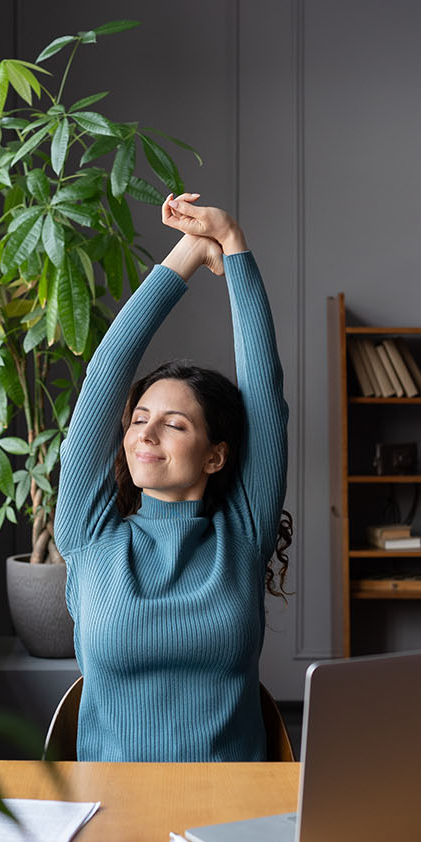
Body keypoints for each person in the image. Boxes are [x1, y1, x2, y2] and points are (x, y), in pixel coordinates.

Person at [53, 194, 291, 761]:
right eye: (138, 420)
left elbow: (264, 395)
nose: (145, 434)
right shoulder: (89, 533)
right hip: (113, 809)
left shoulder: (243, 530)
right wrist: (185, 255)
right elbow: (107, 371)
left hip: (235, 811)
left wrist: (232, 243)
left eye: (174, 424)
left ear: (215, 456)